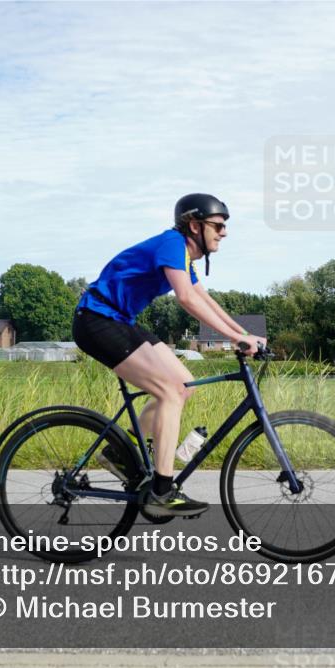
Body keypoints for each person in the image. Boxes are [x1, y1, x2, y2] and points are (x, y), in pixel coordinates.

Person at [72, 194, 267, 518]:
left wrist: (243, 335)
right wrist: (235, 337)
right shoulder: (171, 244)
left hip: (118, 320)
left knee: (185, 384)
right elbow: (187, 299)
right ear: (195, 225)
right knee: (169, 390)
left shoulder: (183, 256)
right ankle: (162, 490)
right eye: (218, 225)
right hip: (96, 320)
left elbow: (204, 298)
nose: (224, 232)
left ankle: (120, 453)